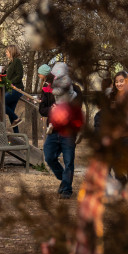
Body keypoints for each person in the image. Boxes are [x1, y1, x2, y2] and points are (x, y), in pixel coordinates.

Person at [40, 62, 82, 199]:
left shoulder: (75, 90)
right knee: (49, 157)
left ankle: (67, 190)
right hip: (53, 129)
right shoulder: (47, 89)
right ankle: (64, 180)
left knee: (69, 161)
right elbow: (42, 109)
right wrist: (51, 110)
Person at [3, 45, 25, 133]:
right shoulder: (10, 63)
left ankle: (16, 118)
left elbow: (20, 75)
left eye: (7, 52)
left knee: (1, 102)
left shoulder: (17, 61)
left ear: (11, 52)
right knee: (10, 111)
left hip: (16, 89)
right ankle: (17, 135)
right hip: (10, 89)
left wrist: (10, 82)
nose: (6, 53)